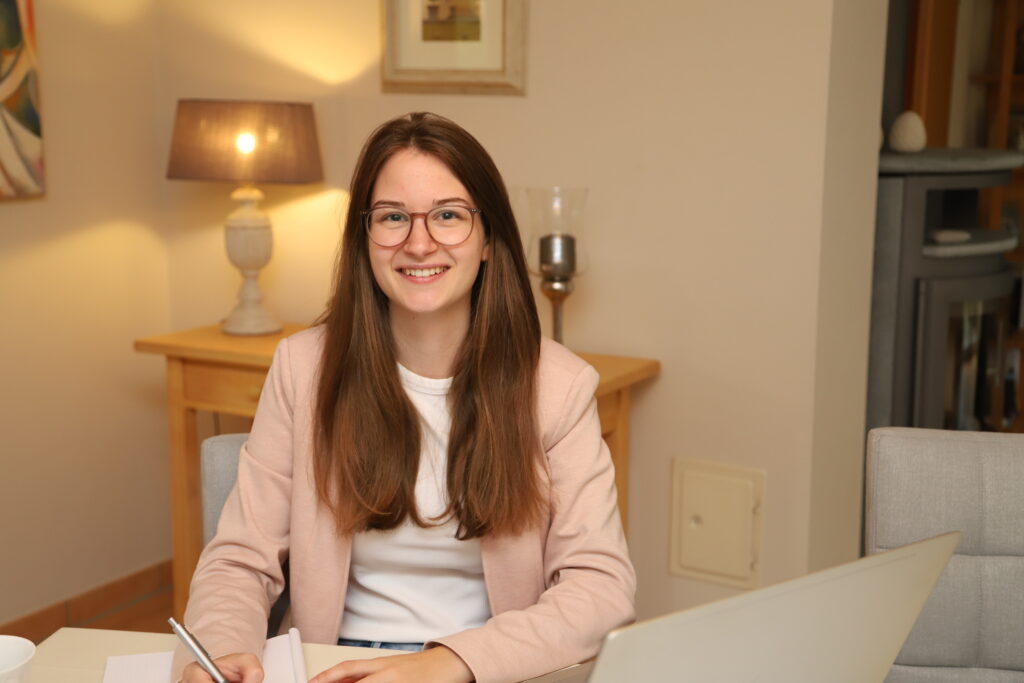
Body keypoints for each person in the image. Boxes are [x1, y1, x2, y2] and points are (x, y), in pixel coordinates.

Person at [174, 112, 635, 683]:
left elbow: (600, 590)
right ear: (364, 239)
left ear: (489, 240)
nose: (419, 244)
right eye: (393, 217)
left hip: (482, 667)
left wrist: (445, 663)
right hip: (332, 666)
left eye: (448, 215)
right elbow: (240, 559)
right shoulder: (302, 368)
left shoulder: (559, 386)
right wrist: (221, 651)